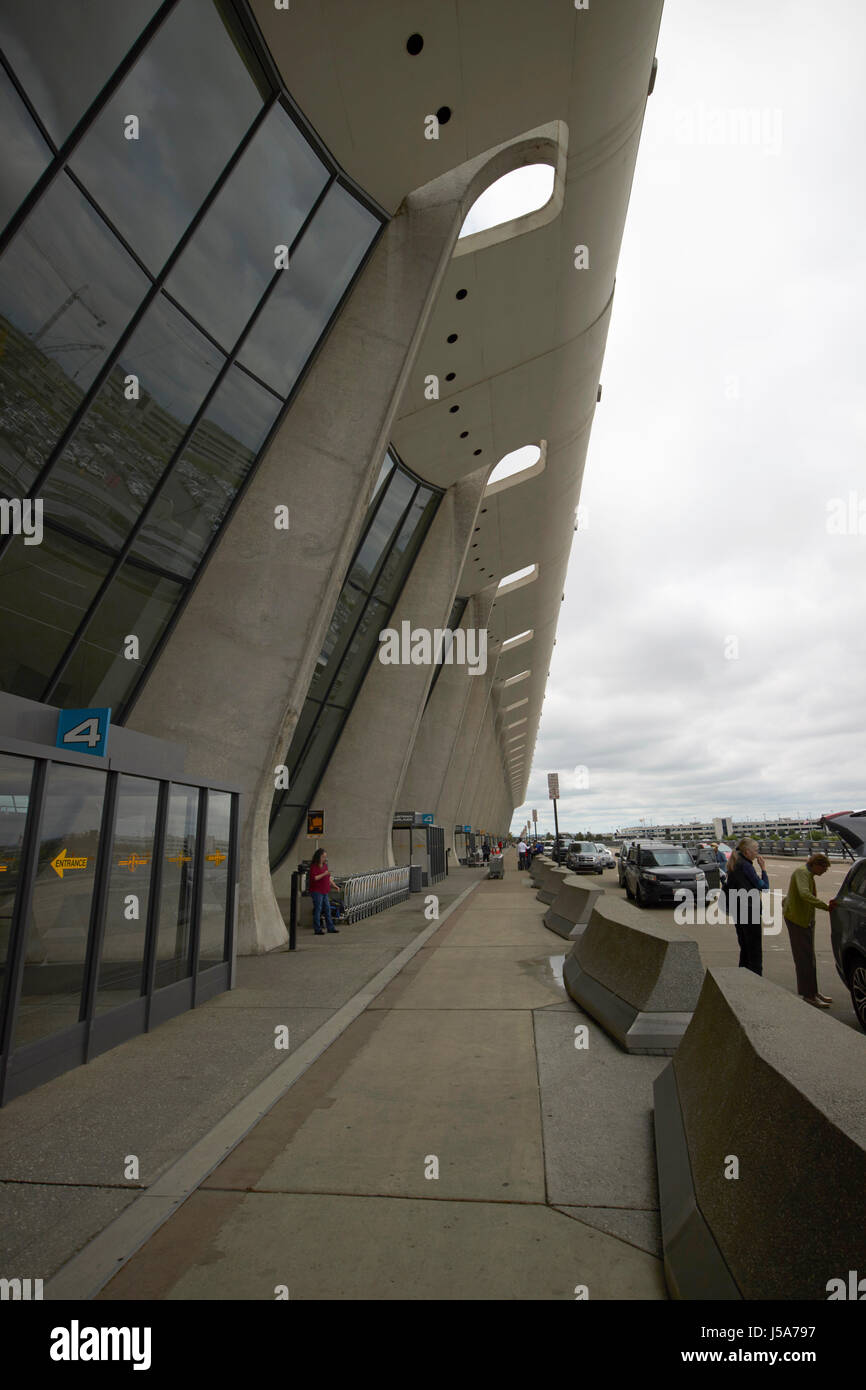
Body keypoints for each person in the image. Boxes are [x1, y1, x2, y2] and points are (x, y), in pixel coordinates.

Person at [782, 854, 832, 1007]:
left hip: (805, 920)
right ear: (816, 864)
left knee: (810, 957)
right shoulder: (802, 872)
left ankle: (813, 991)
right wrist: (825, 906)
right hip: (797, 920)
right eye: (824, 868)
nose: (825, 871)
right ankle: (808, 995)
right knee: (803, 958)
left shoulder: (808, 873)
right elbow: (804, 894)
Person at [725, 837, 769, 975]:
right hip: (750, 911)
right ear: (747, 851)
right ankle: (756, 978)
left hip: (738, 910)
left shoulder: (734, 863)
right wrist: (764, 869)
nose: (757, 853)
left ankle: (742, 976)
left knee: (745, 946)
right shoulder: (746, 865)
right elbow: (764, 887)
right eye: (756, 850)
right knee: (754, 949)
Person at [309, 848, 339, 935]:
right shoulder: (314, 866)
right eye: (323, 856)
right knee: (318, 910)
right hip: (317, 891)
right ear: (318, 857)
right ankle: (317, 929)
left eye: (325, 857)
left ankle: (330, 927)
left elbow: (328, 878)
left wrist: (334, 885)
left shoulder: (325, 865)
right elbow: (315, 878)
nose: (324, 858)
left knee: (327, 909)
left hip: (325, 891)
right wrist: (324, 874)